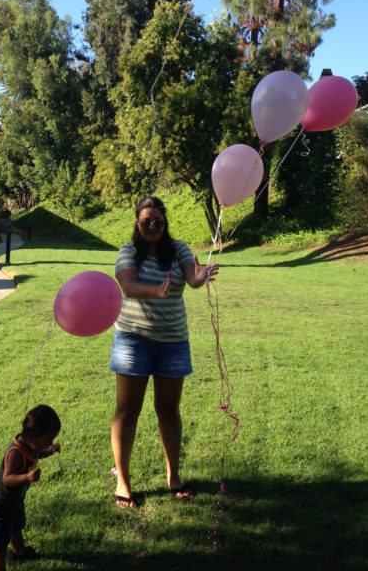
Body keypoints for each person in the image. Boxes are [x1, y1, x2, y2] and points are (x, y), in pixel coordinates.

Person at [110, 195, 218, 508]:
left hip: (173, 341)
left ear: (165, 222)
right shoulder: (128, 252)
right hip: (133, 339)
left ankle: (174, 476)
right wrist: (155, 291)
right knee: (128, 410)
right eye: (147, 221)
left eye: (158, 221)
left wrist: (200, 275)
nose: (153, 226)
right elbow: (127, 286)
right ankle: (123, 482)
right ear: (137, 223)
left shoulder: (179, 249)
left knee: (169, 410)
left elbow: (192, 279)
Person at [0, 404, 61, 570]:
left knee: (16, 528)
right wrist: (27, 477)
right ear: (33, 436)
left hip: (15, 500)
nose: (50, 442)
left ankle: (20, 553)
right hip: (1, 505)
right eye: (48, 440)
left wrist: (50, 450)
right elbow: (7, 478)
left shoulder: (31, 445)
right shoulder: (16, 453)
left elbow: (37, 453)